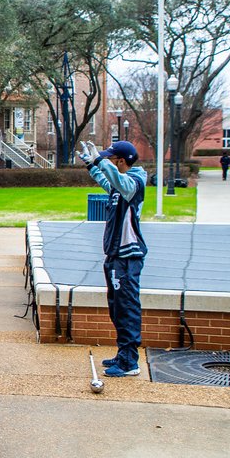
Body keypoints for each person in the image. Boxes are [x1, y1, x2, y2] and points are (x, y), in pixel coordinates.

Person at [78, 140, 148, 378]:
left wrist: (99, 160)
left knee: (127, 308)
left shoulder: (134, 183)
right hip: (115, 256)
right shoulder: (120, 186)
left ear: (121, 161)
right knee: (116, 308)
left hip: (127, 256)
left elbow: (119, 182)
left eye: (110, 159)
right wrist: (92, 165)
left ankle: (130, 362)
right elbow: (108, 182)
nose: (108, 161)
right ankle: (123, 354)